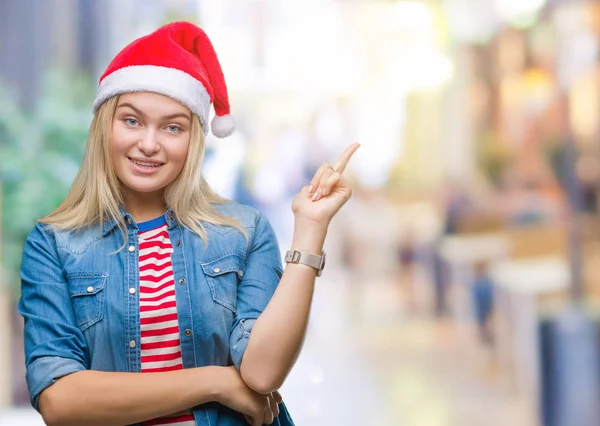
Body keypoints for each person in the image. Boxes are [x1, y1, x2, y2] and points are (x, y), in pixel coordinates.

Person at [18, 22, 359, 426]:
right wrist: (215, 382)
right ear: (104, 127)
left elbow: (263, 373)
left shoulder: (242, 232)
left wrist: (310, 228)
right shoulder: (55, 243)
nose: (149, 143)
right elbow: (61, 401)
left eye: (172, 127)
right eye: (131, 120)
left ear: (194, 139)